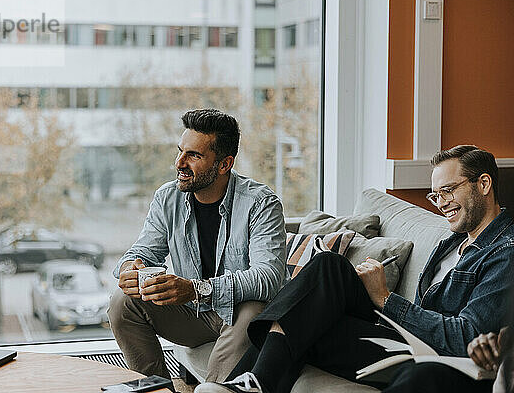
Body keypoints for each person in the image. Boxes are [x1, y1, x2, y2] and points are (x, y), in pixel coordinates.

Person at [196, 145, 514, 393]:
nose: (441, 202)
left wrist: (386, 299)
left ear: (483, 183)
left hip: (437, 356)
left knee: (305, 324)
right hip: (407, 336)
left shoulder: (504, 252)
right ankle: (251, 384)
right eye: (435, 194)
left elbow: (466, 337)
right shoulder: (451, 241)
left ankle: (249, 384)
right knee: (328, 269)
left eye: (449, 190)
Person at [107, 109, 287, 382]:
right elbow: (143, 250)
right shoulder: (168, 198)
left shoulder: (261, 203)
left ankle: (215, 389)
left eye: (194, 155)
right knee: (122, 303)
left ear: (224, 164)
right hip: (194, 315)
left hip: (238, 314)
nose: (179, 162)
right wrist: (129, 268)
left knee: (254, 309)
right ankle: (156, 388)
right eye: (180, 151)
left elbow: (268, 278)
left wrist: (196, 289)